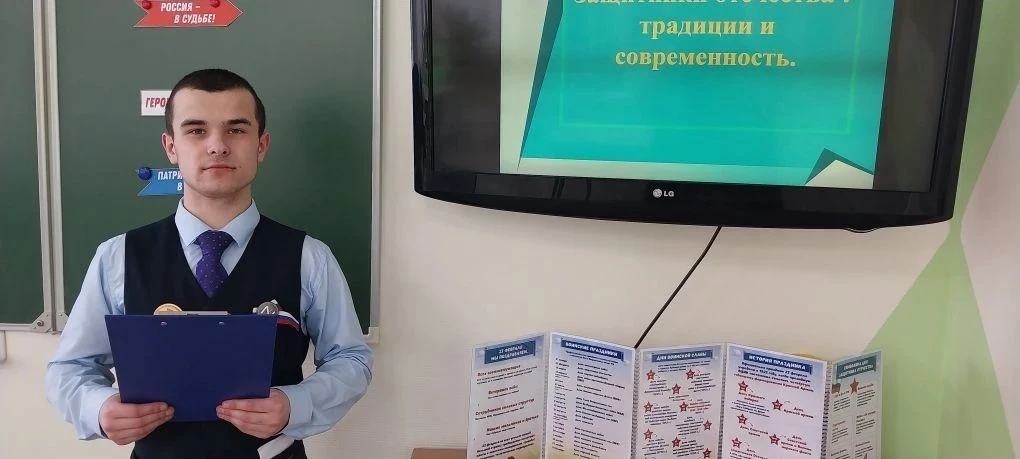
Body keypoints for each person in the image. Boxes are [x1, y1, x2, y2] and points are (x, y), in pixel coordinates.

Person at [45, 68, 373, 459]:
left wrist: (294, 404)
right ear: (171, 147)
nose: (217, 146)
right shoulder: (118, 256)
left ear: (261, 144)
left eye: (236, 129)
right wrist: (98, 409)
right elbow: (70, 367)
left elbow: (351, 359)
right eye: (196, 130)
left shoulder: (309, 257)